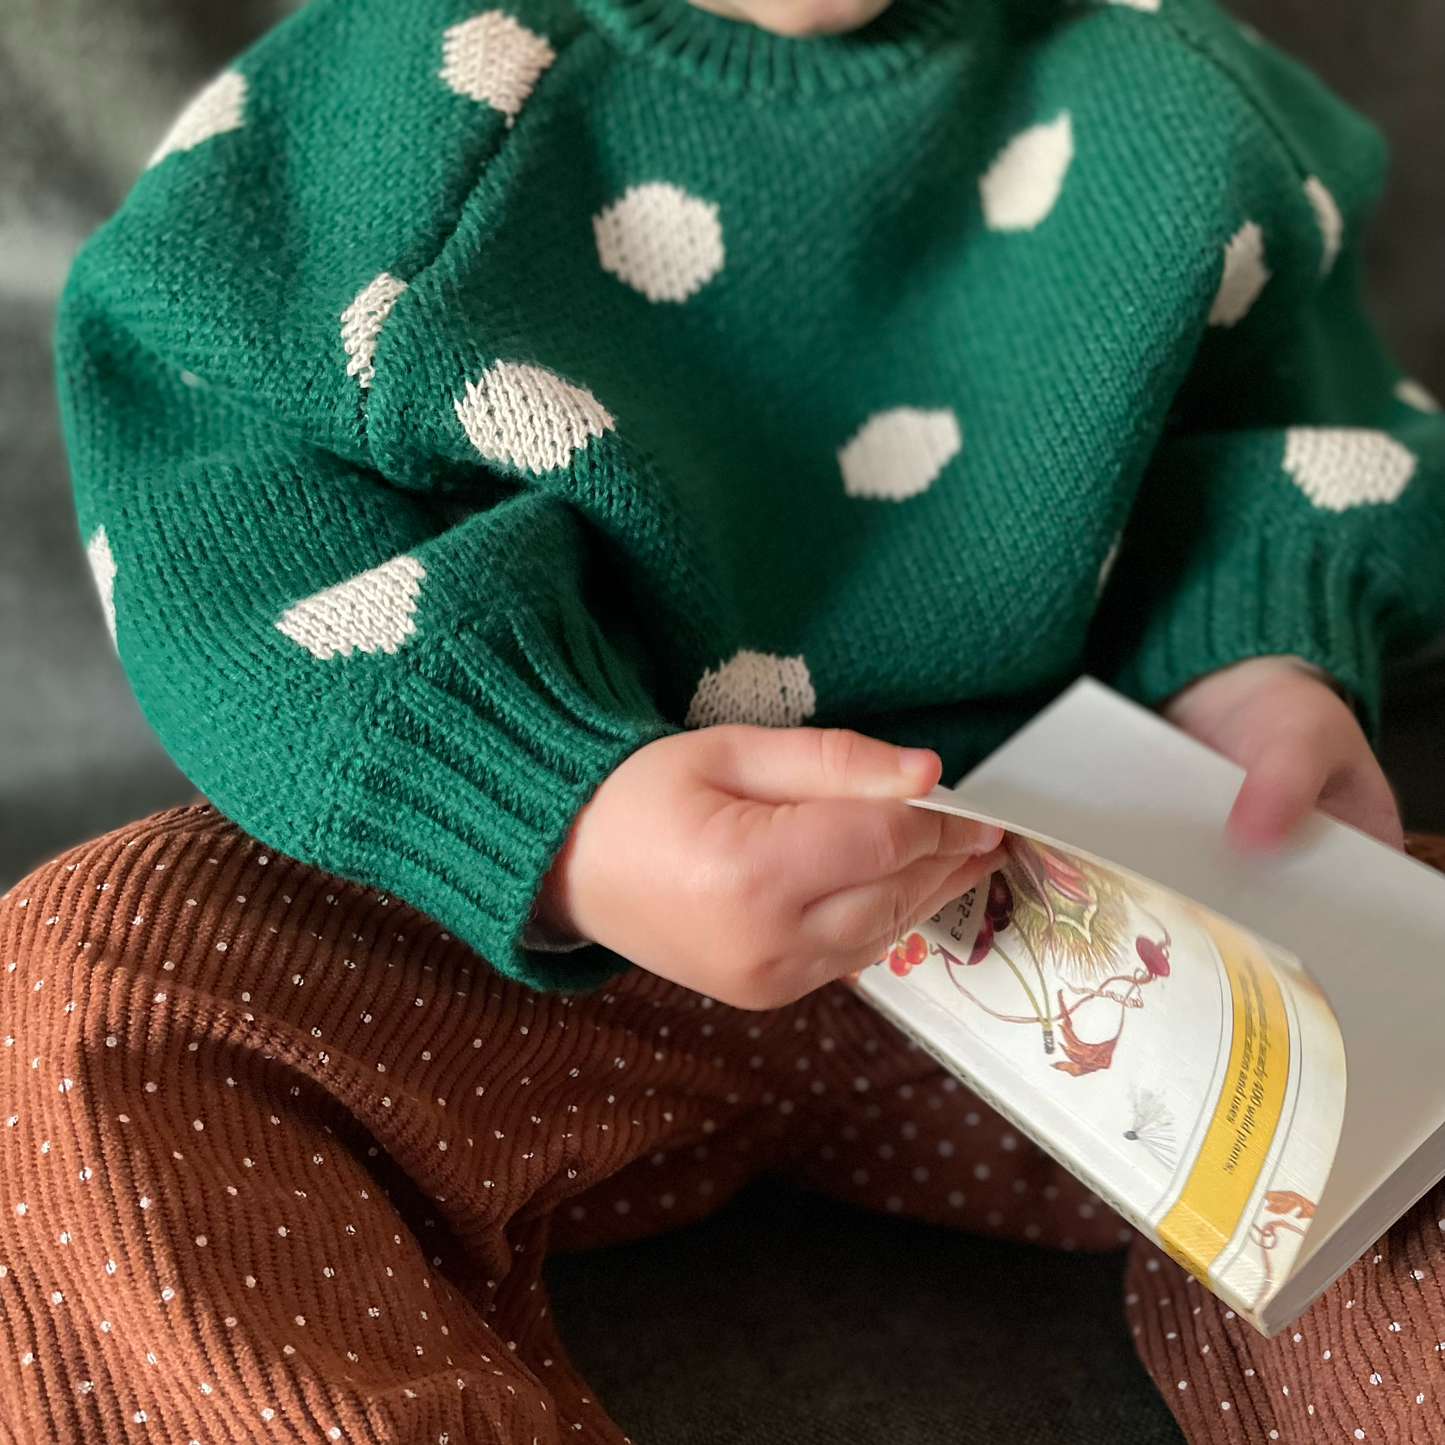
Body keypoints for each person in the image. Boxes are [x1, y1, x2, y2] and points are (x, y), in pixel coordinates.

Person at [2, 0, 1442, 1437]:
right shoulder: (410, 95)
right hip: (518, 910)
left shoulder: (1176, 97)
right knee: (89, 984)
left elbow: (1293, 427)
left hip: (1078, 898)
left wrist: (1261, 666)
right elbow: (219, 486)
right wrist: (560, 813)